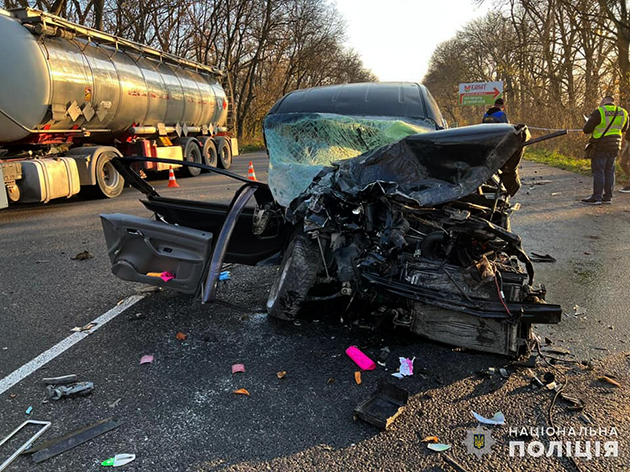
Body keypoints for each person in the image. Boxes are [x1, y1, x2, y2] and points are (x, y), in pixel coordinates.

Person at [582, 96, 629, 204]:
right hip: (615, 145)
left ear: (603, 101)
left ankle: (596, 197)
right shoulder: (623, 112)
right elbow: (625, 128)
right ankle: (608, 197)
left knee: (599, 171)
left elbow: (586, 130)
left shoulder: (599, 111)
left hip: (600, 145)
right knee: (609, 170)